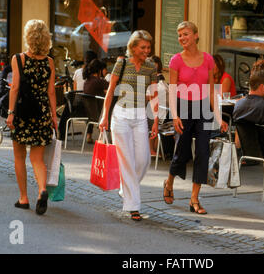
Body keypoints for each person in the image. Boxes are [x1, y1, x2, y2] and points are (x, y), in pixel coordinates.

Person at [163, 21, 228, 215]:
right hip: (183, 107)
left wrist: (219, 117)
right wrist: (175, 116)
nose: (182, 38)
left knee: (202, 153)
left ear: (196, 36)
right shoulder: (176, 60)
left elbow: (212, 91)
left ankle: (194, 199)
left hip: (203, 109)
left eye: (186, 34)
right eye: (180, 35)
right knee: (181, 152)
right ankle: (169, 182)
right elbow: (172, 91)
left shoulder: (208, 59)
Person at [98, 30, 159, 222]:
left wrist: (156, 119)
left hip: (140, 116)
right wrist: (104, 116)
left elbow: (155, 94)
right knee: (126, 161)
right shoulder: (122, 63)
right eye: (143, 47)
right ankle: (133, 207)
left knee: (143, 160)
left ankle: (126, 189)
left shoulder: (150, 67)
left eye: (148, 47)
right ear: (133, 47)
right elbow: (110, 91)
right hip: (121, 116)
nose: (146, 51)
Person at [6, 19, 57, 216]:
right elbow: (51, 92)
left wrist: (10, 113)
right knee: (37, 159)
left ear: (28, 37)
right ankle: (42, 190)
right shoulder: (49, 62)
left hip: (22, 114)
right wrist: (54, 116)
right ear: (46, 39)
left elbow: (15, 87)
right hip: (42, 113)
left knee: (19, 157)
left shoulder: (18, 59)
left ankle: (23, 198)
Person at [83, 59, 109, 143]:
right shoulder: (98, 81)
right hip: (99, 114)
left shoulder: (87, 81)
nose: (106, 71)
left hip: (89, 113)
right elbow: (112, 88)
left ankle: (89, 135)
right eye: (105, 69)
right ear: (100, 70)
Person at [148, 55, 169, 156]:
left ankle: (155, 149)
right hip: (153, 111)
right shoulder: (153, 81)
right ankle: (151, 148)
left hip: (162, 109)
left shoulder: (161, 80)